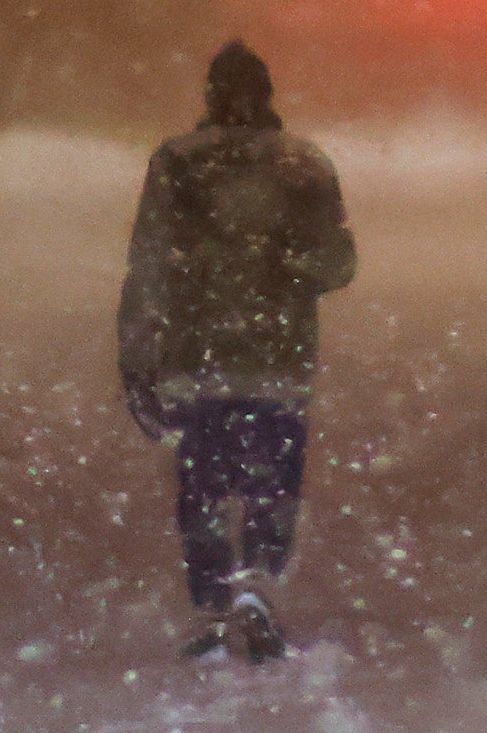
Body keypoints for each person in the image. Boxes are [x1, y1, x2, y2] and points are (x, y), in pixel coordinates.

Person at [117, 40, 356, 662]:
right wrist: (282, 262)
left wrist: (137, 356)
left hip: (197, 362)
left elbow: (149, 266)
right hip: (278, 360)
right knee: (273, 480)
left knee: (203, 483)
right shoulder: (305, 166)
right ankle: (258, 586)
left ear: (209, 97)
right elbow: (337, 265)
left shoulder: (177, 164)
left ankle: (216, 603)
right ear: (269, 96)